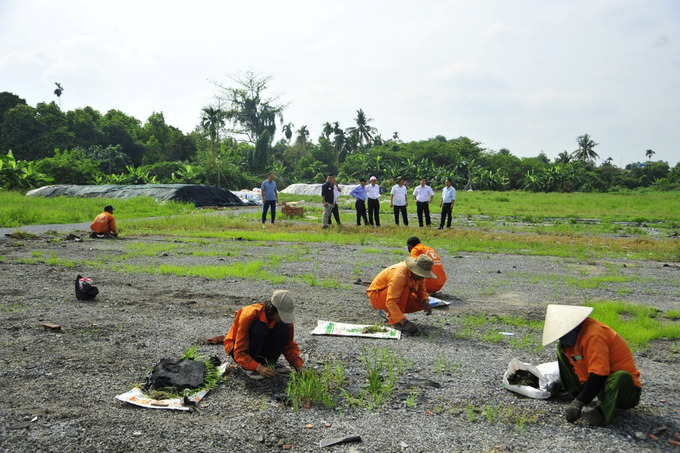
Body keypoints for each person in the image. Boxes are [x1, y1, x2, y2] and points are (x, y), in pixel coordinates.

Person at [542, 304, 641, 426]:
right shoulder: (572, 340)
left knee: (622, 377)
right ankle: (575, 391)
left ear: (575, 326)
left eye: (564, 334)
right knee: (562, 349)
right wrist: (567, 387)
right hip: (600, 386)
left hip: (623, 391)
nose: (562, 338)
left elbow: (599, 375)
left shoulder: (595, 335)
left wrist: (579, 402)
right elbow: (579, 366)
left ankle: (601, 412)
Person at [224, 290, 304, 380]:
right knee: (259, 326)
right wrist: (257, 367)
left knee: (284, 327)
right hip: (239, 351)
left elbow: (289, 345)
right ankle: (250, 367)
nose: (283, 318)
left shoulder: (283, 321)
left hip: (261, 348)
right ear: (271, 308)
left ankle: (268, 363)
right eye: (282, 315)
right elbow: (239, 352)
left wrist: (299, 367)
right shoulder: (249, 315)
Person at [366, 254, 436, 335]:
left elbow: (421, 290)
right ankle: (395, 322)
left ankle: (393, 314)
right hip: (377, 297)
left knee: (420, 302)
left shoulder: (419, 276)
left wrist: (425, 301)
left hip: (394, 296)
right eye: (421, 274)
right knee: (404, 290)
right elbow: (391, 301)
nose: (423, 277)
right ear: (414, 269)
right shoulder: (399, 275)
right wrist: (404, 322)